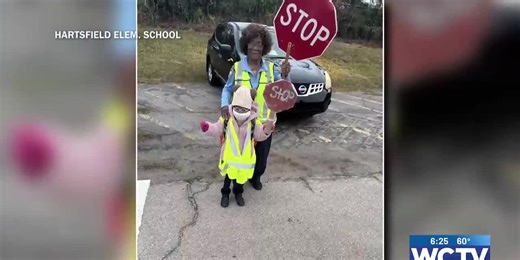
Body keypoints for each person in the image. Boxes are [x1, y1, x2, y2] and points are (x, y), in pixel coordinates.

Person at [220, 23, 291, 190]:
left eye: (259, 44)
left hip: (264, 123)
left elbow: (283, 89)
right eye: (251, 43)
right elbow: (227, 89)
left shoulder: (271, 69)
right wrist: (224, 105)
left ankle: (255, 176)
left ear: (264, 47)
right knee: (239, 154)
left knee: (261, 160)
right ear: (246, 45)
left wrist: (286, 75)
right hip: (241, 122)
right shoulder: (236, 68)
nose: (255, 48)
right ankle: (238, 181)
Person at [201, 86, 275, 207]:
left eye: (243, 109)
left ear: (249, 107)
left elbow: (259, 134)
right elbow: (217, 128)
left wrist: (267, 130)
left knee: (240, 180)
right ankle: (225, 194)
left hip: (245, 160)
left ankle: (238, 194)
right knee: (228, 178)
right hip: (230, 158)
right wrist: (207, 128)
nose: (240, 112)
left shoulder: (253, 121)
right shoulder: (226, 119)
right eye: (238, 108)